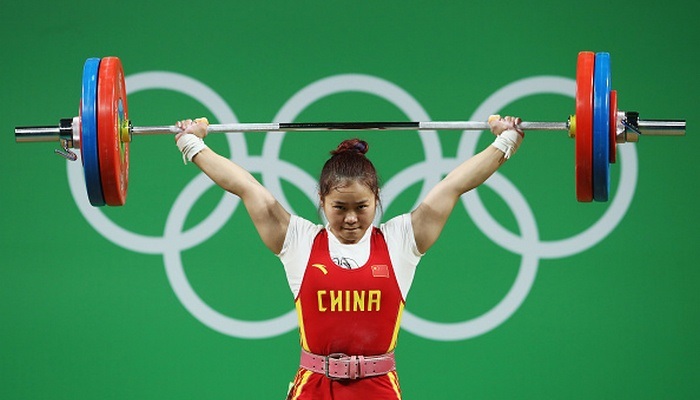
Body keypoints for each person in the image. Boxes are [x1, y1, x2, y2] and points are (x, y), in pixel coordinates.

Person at [174, 115, 524, 400]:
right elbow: (245, 186)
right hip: (313, 389)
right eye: (339, 208)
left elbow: (454, 185)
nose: (351, 218)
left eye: (362, 207)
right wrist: (193, 143)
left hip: (379, 390)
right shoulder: (299, 240)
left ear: (377, 200)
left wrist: (504, 142)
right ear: (322, 201)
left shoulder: (401, 240)